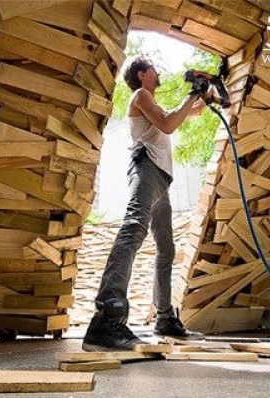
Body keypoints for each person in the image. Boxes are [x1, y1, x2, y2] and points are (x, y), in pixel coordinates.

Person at [82, 56, 210, 351]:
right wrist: (193, 93)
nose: (158, 71)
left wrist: (208, 89)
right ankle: (106, 320)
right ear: (142, 75)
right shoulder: (140, 96)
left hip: (161, 181)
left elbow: (195, 110)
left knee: (167, 250)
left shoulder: (155, 104)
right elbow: (168, 125)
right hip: (146, 170)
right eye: (153, 67)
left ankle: (165, 318)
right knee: (134, 227)